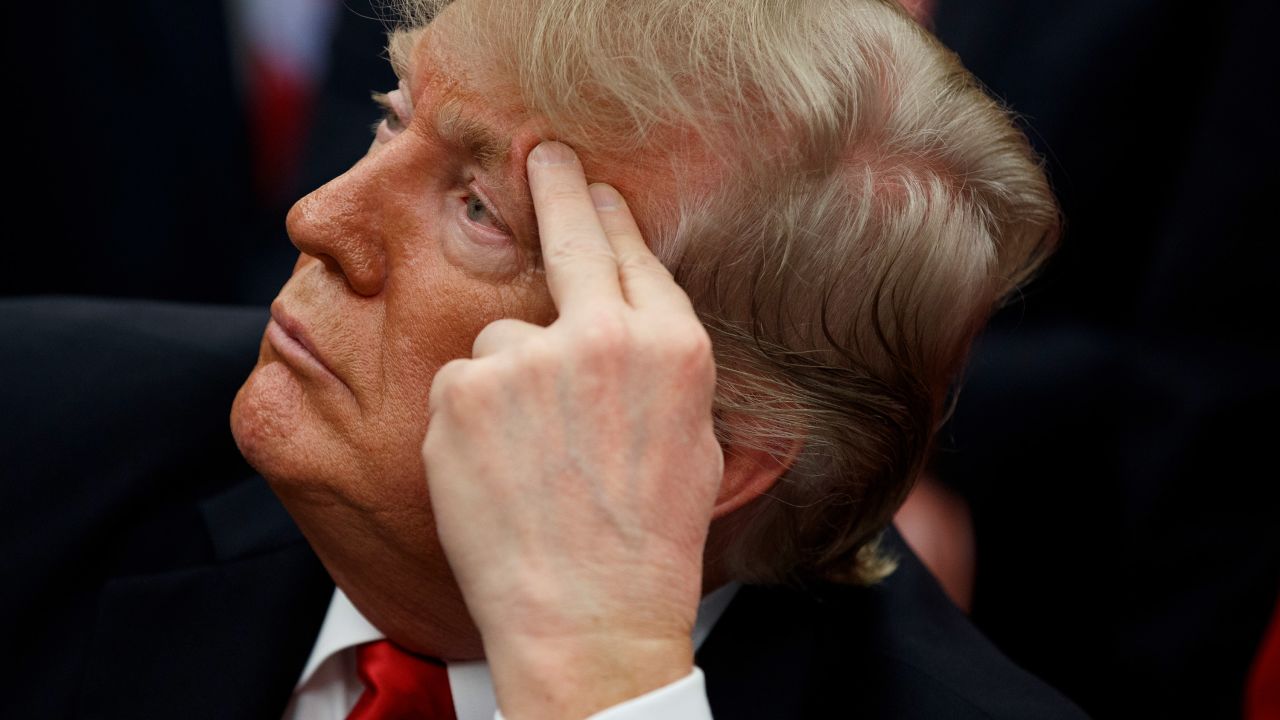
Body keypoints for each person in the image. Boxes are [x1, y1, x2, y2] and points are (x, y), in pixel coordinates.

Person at [4, 0, 1086, 718]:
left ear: (713, 437)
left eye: (479, 209)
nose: (317, 216)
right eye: (391, 119)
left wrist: (604, 682)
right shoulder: (39, 418)